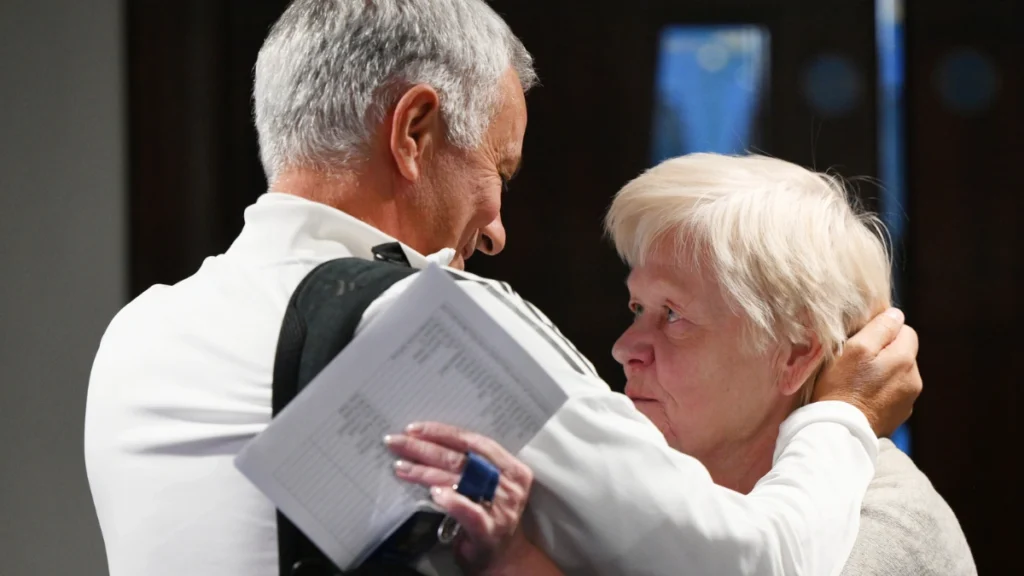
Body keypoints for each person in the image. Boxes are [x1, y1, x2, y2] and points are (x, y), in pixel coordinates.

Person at [83, 2, 922, 576]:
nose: (494, 232)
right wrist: (844, 416)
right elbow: (761, 563)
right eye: (499, 169)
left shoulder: (136, 335)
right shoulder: (438, 329)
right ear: (414, 133)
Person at [393, 153, 971, 575]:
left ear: (794, 353)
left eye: (673, 315)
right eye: (637, 307)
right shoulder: (658, 483)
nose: (624, 347)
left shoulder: (891, 529)